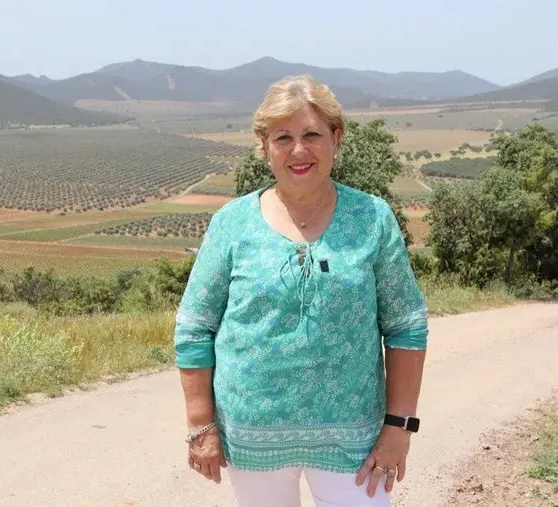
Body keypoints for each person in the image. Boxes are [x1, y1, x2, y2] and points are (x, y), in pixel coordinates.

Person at [173, 74, 428, 507]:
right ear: (264, 145)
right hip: (253, 438)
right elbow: (195, 328)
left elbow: (406, 327)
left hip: (355, 440)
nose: (298, 150)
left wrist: (399, 427)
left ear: (336, 138)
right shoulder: (232, 223)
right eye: (283, 138)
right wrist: (201, 426)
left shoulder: (372, 218)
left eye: (311, 135)